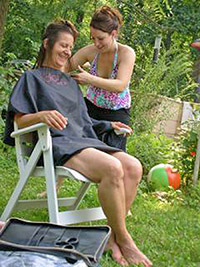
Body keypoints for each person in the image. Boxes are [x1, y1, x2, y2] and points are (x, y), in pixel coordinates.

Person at [4, 19, 152, 267]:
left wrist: (108, 126)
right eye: (63, 45)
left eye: (70, 47)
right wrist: (41, 116)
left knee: (134, 166)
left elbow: (82, 120)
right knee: (112, 168)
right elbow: (19, 121)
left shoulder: (70, 82)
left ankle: (111, 237)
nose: (67, 52)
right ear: (47, 44)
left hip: (82, 140)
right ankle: (124, 240)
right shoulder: (31, 78)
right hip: (57, 145)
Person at [67, 5, 135, 152]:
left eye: (101, 38)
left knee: (113, 160)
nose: (96, 43)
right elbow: (65, 67)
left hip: (117, 114)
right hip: (90, 110)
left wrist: (89, 79)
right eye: (93, 38)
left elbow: (120, 85)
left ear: (114, 34)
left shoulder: (126, 53)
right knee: (79, 153)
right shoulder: (90, 51)